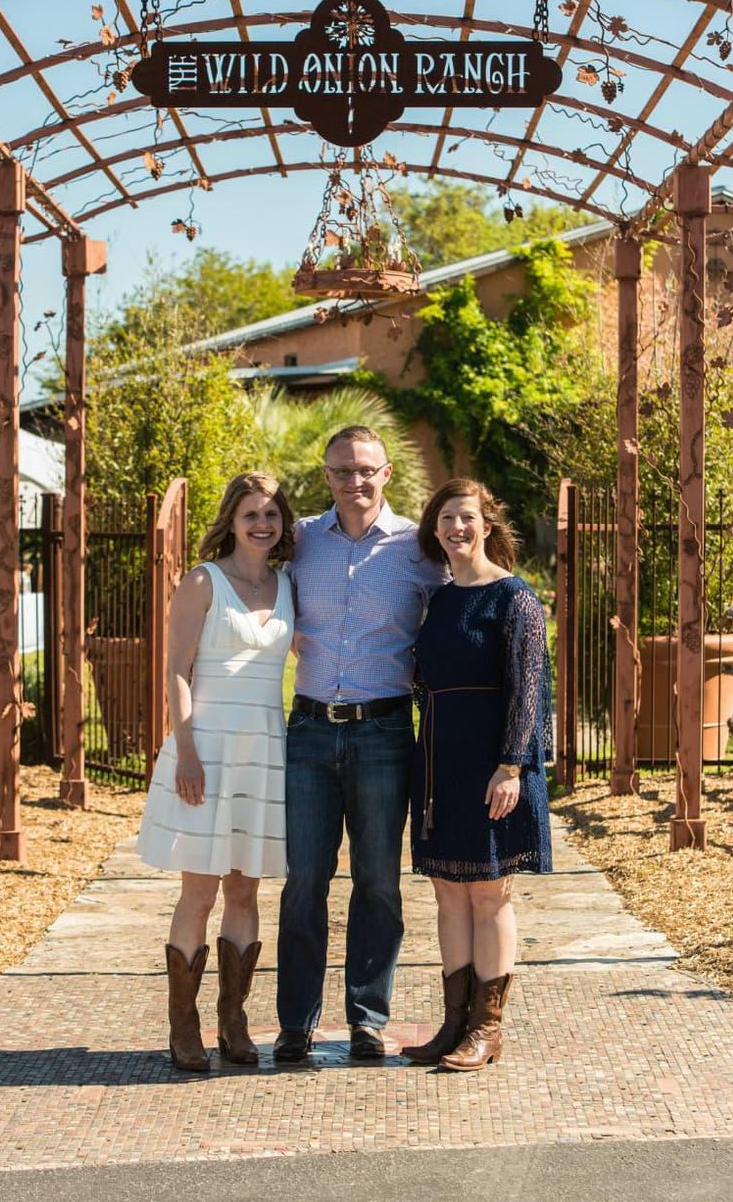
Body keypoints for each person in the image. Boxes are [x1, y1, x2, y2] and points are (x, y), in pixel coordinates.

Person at [275, 425, 447, 1062]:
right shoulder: (300, 544)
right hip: (310, 731)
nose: (356, 481)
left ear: (387, 474)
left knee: (378, 881)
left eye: (366, 470)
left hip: (383, 731)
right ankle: (296, 1022)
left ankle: (367, 1018)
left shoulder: (416, 549)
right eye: (343, 471)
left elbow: (465, 603)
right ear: (327, 477)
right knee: (303, 882)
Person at [136, 472, 295, 1072]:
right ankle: (185, 1027)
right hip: (203, 751)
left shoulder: (287, 585)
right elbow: (176, 669)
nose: (262, 524)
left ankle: (235, 1021)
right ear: (231, 519)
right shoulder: (203, 581)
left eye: (272, 515)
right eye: (251, 513)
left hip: (263, 752)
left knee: (247, 888)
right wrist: (187, 748)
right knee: (198, 890)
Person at [402, 477, 552, 1072]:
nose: (456, 528)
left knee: (489, 894)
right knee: (447, 891)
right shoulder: (438, 599)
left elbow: (529, 691)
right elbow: (423, 680)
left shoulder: (515, 599)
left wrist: (511, 765)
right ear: (434, 531)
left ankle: (488, 1029)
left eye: (466, 517)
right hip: (440, 763)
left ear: (487, 525)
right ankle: (454, 1025)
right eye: (445, 519)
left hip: (496, 766)